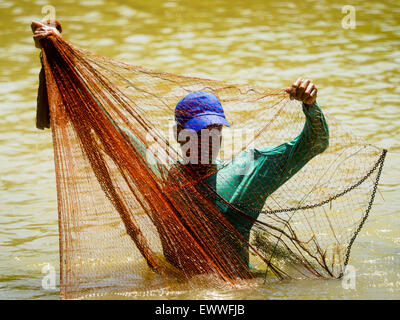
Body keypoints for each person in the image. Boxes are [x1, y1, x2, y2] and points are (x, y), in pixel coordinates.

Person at [32, 21, 329, 271]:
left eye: (214, 131)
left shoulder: (247, 173)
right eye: (198, 132)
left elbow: (314, 142)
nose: (206, 140)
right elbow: (91, 115)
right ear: (178, 134)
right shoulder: (154, 172)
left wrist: (311, 105)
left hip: (237, 292)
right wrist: (56, 57)